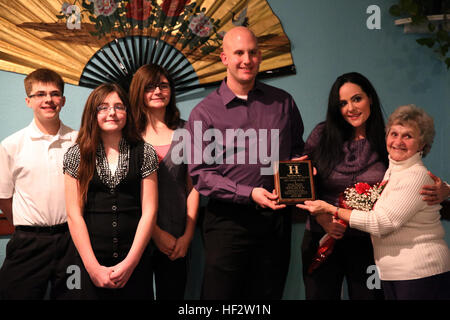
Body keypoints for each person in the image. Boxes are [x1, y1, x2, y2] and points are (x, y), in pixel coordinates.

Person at [298, 72, 449, 300]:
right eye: (342, 103)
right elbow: (300, 182)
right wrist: (322, 218)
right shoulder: (321, 134)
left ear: (370, 98)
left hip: (369, 244)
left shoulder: (388, 137)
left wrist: (446, 188)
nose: (351, 108)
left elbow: (411, 175)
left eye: (357, 99)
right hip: (323, 238)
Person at [186, 26, 305, 299]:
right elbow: (202, 175)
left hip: (275, 220)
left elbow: (297, 150)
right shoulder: (203, 113)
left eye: (252, 52)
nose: (246, 60)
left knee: (267, 297)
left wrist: (301, 169)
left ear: (260, 56)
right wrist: (248, 193)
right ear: (224, 58)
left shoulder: (283, 102)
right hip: (227, 223)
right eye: (238, 53)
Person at [63, 83, 158, 299]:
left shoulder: (145, 152)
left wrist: (131, 263)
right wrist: (92, 267)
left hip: (135, 260)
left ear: (127, 112)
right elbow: (73, 215)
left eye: (119, 106)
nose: (112, 113)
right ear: (92, 113)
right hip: (89, 263)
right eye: (103, 107)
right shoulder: (76, 154)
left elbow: (150, 212)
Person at [0, 68, 78, 299]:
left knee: (73, 296)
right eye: (40, 94)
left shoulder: (78, 141)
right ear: (28, 101)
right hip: (28, 243)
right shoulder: (12, 145)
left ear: (63, 100)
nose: (48, 100)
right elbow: (4, 197)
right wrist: (26, 227)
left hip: (71, 243)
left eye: (55, 94)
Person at [128, 64, 200, 300]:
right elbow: (125, 191)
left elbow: (194, 187)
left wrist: (188, 235)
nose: (158, 91)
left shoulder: (188, 131)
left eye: (164, 85)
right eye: (150, 86)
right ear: (139, 91)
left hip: (177, 236)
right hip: (136, 236)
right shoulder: (127, 135)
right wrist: (154, 233)